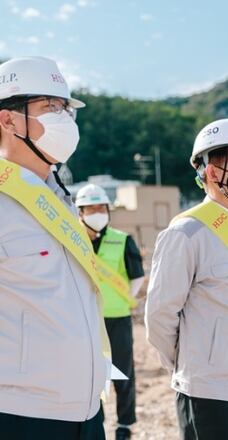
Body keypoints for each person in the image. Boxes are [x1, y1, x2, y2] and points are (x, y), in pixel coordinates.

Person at [145, 117, 228, 440]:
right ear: (212, 171)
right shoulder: (187, 232)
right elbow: (159, 316)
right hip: (210, 394)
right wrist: (195, 367)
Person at [0, 56, 107, 438]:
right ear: (8, 120)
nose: (65, 119)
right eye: (50, 106)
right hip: (21, 413)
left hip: (88, 409)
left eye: (66, 108)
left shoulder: (60, 199)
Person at [76, 183, 145, 440]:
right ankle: (97, 419)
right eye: (91, 208)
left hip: (118, 318)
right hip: (86, 318)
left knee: (122, 371)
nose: (98, 213)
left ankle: (125, 424)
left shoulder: (123, 240)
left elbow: (137, 277)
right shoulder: (73, 238)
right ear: (80, 212)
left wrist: (124, 299)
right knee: (91, 372)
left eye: (101, 208)